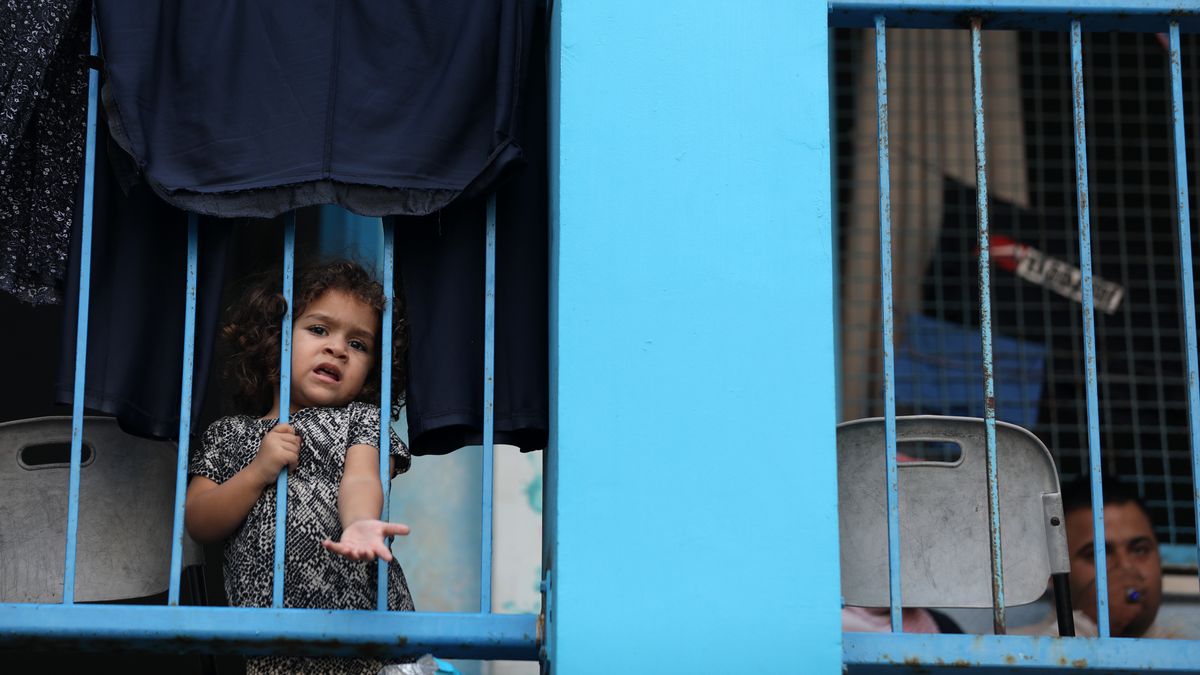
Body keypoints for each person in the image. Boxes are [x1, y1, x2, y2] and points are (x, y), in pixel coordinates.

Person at [185, 260, 415, 674]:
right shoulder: (230, 434)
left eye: (359, 344)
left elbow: (362, 477)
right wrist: (257, 472)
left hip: (365, 638)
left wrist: (360, 522)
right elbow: (199, 521)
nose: (338, 348)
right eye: (319, 329)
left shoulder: (362, 420)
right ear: (274, 340)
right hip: (274, 643)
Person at [1015, 474, 1183, 639]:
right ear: (1051, 572)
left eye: (1140, 550)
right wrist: (1085, 625)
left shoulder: (1188, 652)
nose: (1125, 567)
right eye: (1096, 554)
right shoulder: (1007, 652)